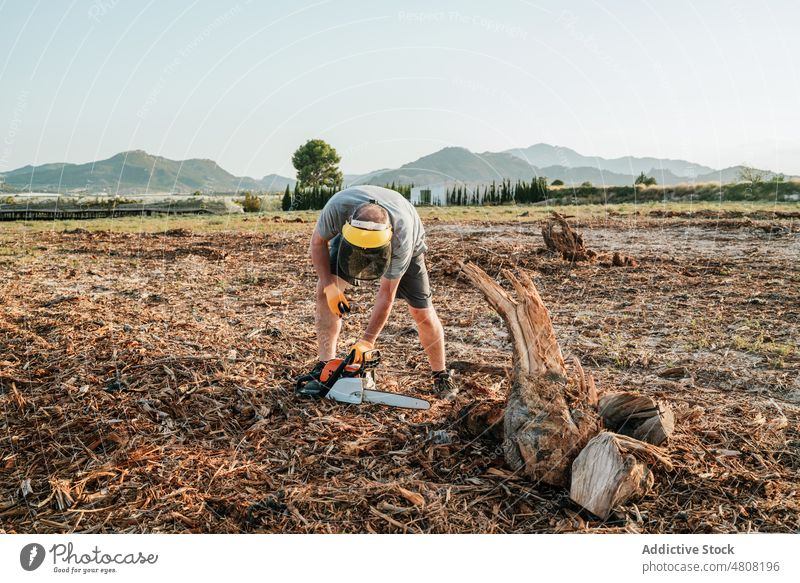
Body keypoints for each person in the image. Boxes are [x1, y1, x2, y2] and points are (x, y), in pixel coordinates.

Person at [302, 184, 456, 399]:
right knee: (323, 291)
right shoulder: (337, 208)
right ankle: (325, 366)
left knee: (422, 313)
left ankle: (440, 375)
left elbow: (386, 294)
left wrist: (367, 342)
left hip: (405, 246)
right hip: (351, 241)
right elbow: (318, 243)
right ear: (347, 224)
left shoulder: (402, 237)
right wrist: (330, 288)